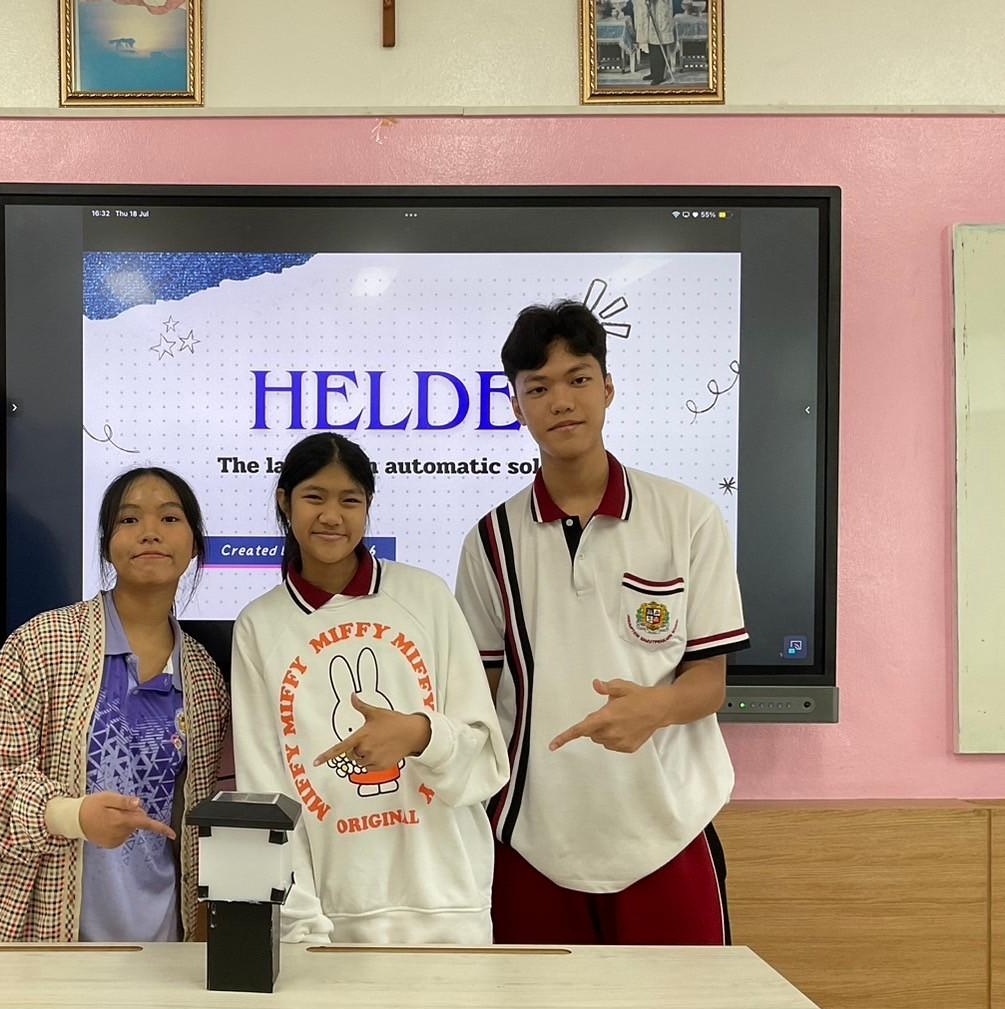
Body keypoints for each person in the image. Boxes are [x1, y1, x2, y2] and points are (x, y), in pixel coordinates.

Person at [455, 300, 748, 945]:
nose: (561, 401)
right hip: (532, 838)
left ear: (608, 388)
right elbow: (478, 696)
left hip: (668, 828)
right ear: (515, 405)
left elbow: (710, 683)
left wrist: (656, 708)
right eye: (539, 387)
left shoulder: (688, 517)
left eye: (579, 379)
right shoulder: (490, 540)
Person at [230, 432, 508, 945]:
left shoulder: (425, 596)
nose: (332, 516)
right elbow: (267, 790)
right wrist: (301, 927)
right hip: (332, 924)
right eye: (314, 497)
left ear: (369, 506)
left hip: (450, 910)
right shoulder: (258, 626)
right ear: (284, 501)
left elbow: (486, 759)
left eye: (349, 500)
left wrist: (419, 735)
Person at [0, 467, 228, 942]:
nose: (150, 532)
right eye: (129, 520)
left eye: (169, 518)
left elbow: (193, 824)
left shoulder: (205, 679)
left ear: (194, 546)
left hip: (161, 938)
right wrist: (73, 816)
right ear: (106, 545)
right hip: (38, 934)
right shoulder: (42, 643)